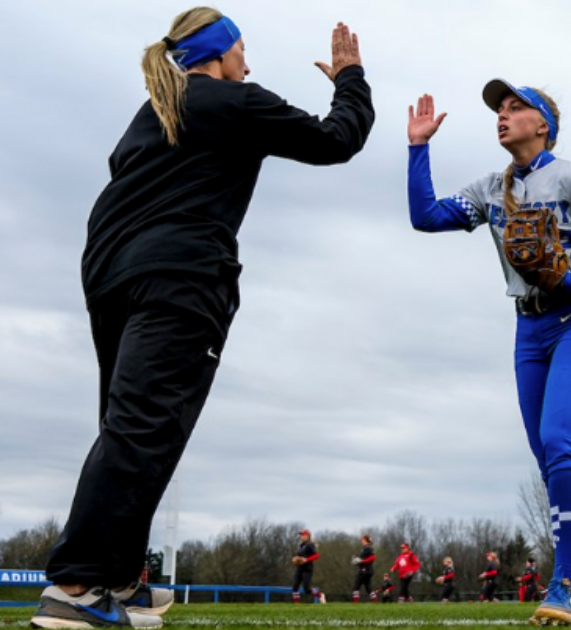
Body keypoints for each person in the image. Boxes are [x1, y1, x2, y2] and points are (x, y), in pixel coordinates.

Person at [33, 8, 373, 629]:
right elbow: (336, 140)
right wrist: (351, 78)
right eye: (243, 50)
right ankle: (76, 585)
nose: (249, 63)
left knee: (131, 424)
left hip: (110, 276)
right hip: (181, 276)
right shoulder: (231, 99)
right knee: (144, 427)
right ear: (220, 54)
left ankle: (120, 579)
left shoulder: (153, 113)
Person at [407, 82, 571, 626]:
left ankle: (566, 583)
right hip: (528, 330)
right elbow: (426, 217)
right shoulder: (493, 185)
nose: (503, 116)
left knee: (560, 441)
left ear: (544, 124)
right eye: (499, 110)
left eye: (515, 108)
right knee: (548, 463)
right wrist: (418, 148)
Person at [292, 530, 322, 604]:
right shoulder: (302, 545)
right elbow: (301, 555)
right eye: (301, 535)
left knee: (306, 589)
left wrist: (307, 559)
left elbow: (317, 555)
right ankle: (296, 605)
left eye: (303, 535)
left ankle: (320, 595)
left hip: (307, 568)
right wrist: (296, 558)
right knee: (295, 586)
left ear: (307, 536)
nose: (301, 536)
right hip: (300, 567)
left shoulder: (310, 544)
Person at [351, 535, 376, 603]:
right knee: (368, 588)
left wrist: (362, 561)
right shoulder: (366, 548)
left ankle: (356, 604)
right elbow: (364, 557)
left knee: (356, 587)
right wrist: (357, 557)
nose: (361, 541)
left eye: (362, 540)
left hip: (364, 570)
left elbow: (373, 557)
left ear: (365, 541)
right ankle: (375, 602)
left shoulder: (367, 548)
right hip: (369, 570)